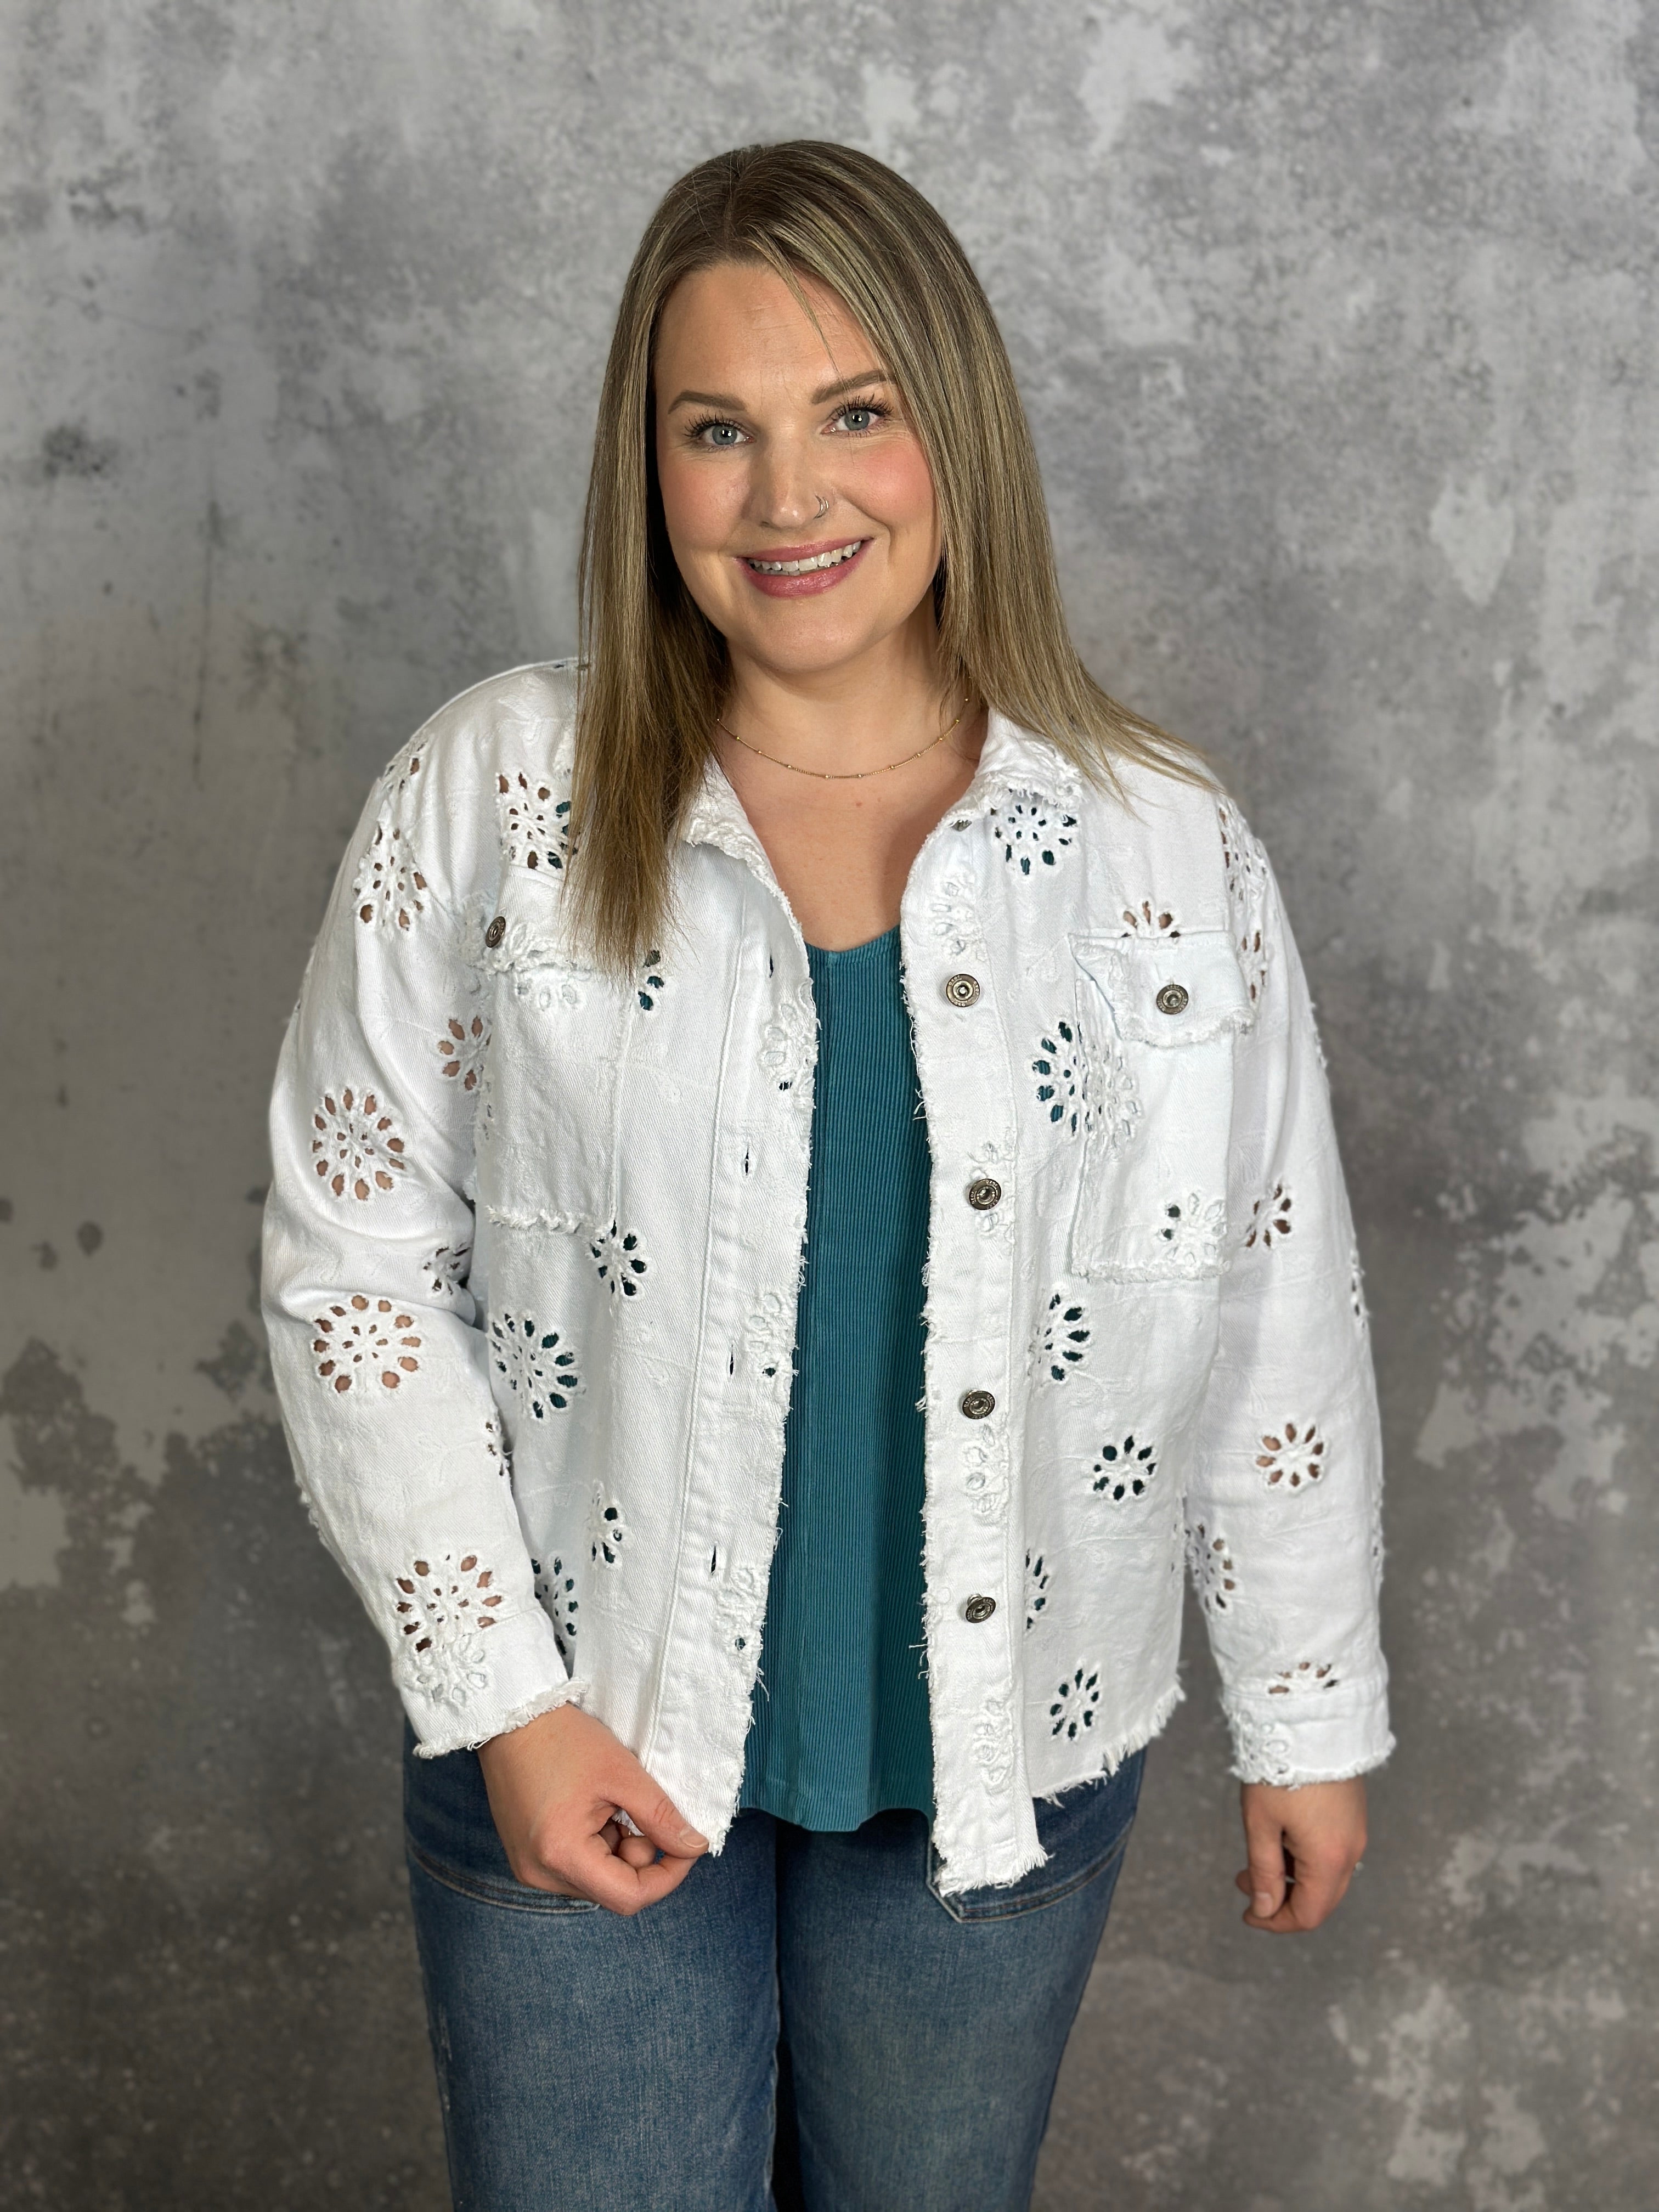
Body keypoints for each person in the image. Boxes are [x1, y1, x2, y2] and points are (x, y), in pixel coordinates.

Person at [261, 140, 1391, 2212]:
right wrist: (505, 1707)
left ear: (955, 432)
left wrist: (1306, 1708)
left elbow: (1265, 1285)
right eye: (720, 431)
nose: (791, 498)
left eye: (855, 413)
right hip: (585, 1731)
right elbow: (355, 1263)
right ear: (649, 470)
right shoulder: (496, 793)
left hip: (1000, 1765)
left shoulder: (1160, 843)